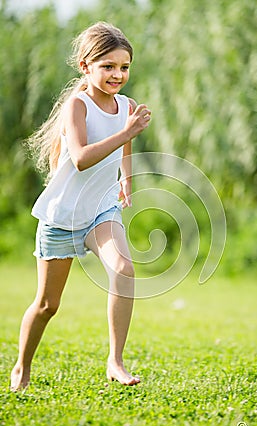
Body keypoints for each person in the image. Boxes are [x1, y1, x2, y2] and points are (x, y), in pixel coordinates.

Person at [10, 21, 151, 390]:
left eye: (123, 67)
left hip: (101, 210)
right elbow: (82, 158)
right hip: (62, 217)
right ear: (85, 66)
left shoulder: (127, 106)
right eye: (108, 66)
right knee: (47, 305)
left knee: (123, 267)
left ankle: (115, 361)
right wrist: (127, 132)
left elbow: (125, 148)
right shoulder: (78, 105)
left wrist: (126, 178)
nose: (117, 74)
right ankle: (22, 366)